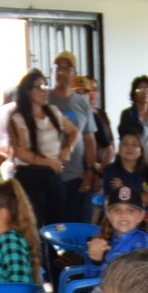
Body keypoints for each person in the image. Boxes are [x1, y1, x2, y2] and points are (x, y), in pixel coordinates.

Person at [41, 183, 148, 293]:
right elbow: (91, 279)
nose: (123, 215)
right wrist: (95, 261)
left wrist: (104, 257)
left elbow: (130, 272)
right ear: (108, 213)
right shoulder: (109, 239)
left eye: (130, 210)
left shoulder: (141, 240)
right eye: (117, 210)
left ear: (140, 215)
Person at [9, 68, 79, 227]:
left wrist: (67, 149)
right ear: (27, 92)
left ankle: (54, 252)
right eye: (39, 87)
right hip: (30, 176)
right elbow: (21, 153)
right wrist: (48, 161)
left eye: (46, 87)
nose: (44, 91)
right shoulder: (18, 118)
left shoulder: (53, 112)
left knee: (57, 224)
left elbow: (74, 132)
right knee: (33, 225)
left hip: (53, 175)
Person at [48, 52, 95, 223]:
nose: (62, 72)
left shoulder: (81, 103)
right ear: (52, 72)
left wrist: (90, 171)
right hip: (50, 176)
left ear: (74, 73)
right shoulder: (45, 99)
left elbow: (89, 140)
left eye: (67, 69)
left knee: (76, 225)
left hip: (76, 176)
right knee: (53, 227)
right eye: (58, 68)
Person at [73, 74, 114, 194]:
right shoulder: (69, 115)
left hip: (93, 172)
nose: (91, 93)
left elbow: (110, 147)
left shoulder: (97, 116)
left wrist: (99, 171)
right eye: (79, 92)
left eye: (93, 90)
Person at [103, 130, 148, 209]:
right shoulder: (110, 170)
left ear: (141, 150)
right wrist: (143, 196)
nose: (129, 148)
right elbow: (116, 201)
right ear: (119, 148)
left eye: (134, 145)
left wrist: (126, 190)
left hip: (146, 216)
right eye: (125, 144)